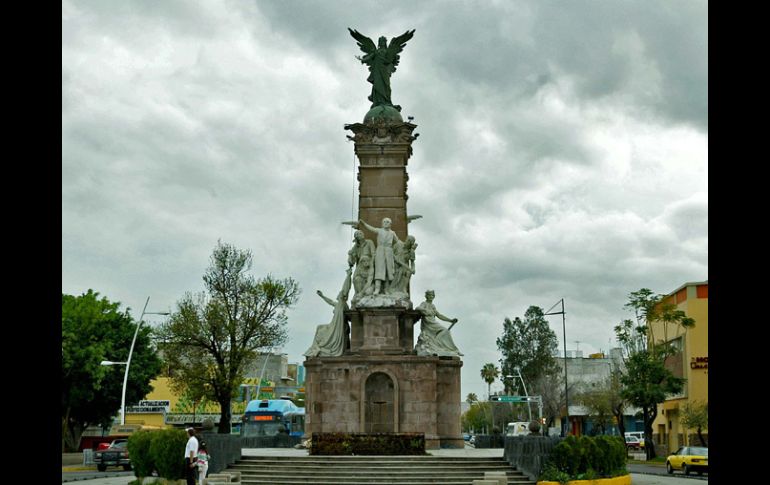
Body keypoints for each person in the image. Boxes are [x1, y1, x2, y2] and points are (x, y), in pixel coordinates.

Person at [304, 269, 352, 357]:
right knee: (319, 327)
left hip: (337, 327)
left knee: (320, 328)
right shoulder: (338, 304)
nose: (338, 294)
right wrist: (322, 296)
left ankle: (318, 347)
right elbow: (330, 301)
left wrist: (348, 275)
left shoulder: (342, 304)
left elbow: (346, 288)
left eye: (340, 293)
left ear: (342, 296)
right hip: (333, 324)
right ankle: (315, 347)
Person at [358, 217, 401, 294]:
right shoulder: (379, 230)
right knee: (379, 269)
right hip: (380, 251)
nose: (385, 223)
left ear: (390, 224)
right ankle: (377, 289)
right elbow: (371, 228)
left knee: (388, 271)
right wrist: (364, 224)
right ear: (382, 223)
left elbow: (398, 242)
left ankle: (386, 289)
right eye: (384, 221)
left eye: (387, 222)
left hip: (389, 251)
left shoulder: (392, 233)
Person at [414, 290, 463, 357]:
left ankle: (446, 347)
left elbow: (439, 315)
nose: (430, 296)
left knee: (445, 331)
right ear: (426, 296)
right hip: (428, 324)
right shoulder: (424, 303)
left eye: (432, 295)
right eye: (429, 295)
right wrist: (425, 311)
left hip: (433, 323)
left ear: (433, 296)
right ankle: (448, 348)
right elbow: (417, 308)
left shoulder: (433, 306)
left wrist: (450, 320)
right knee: (445, 331)